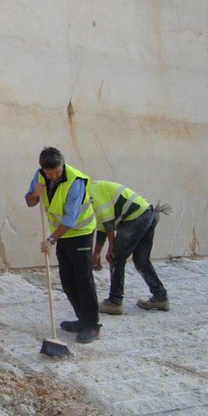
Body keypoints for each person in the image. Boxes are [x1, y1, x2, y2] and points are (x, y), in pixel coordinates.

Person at [25, 147, 102, 344]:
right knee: (67, 280)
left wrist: (51, 240)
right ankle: (82, 318)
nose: (53, 176)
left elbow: (70, 219)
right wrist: (35, 193)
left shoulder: (75, 181)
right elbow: (30, 202)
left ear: (63, 165)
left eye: (57, 172)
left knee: (83, 279)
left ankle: (93, 326)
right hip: (62, 233)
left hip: (80, 232)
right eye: (50, 173)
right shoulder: (40, 176)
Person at [90, 180, 170, 314]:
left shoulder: (91, 192)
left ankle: (115, 302)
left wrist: (111, 247)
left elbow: (107, 220)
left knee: (116, 258)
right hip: (147, 213)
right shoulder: (93, 192)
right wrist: (96, 253)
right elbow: (102, 226)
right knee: (141, 260)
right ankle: (161, 297)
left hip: (136, 217)